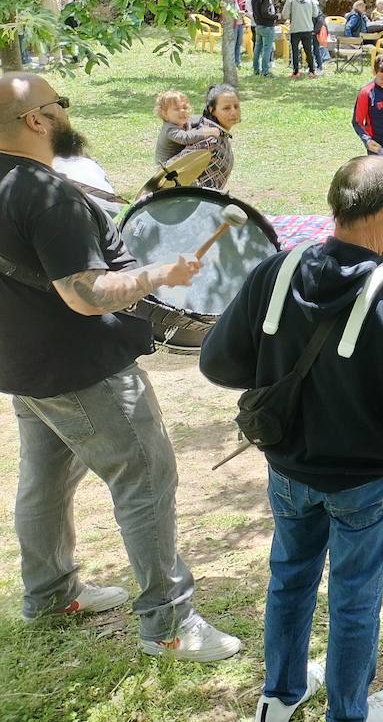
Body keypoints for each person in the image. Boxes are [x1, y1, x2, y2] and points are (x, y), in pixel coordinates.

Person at [201, 155, 383, 722]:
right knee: (355, 595)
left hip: (289, 467)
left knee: (289, 578)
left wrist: (280, 363)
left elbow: (218, 364)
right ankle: (348, 711)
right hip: (365, 481)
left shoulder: (276, 272)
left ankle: (280, 696)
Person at [0, 72, 243, 662]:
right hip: (83, 369)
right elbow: (84, 293)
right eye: (60, 104)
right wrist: (161, 274)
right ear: (35, 119)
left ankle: (51, 594)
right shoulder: (44, 193)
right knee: (146, 476)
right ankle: (169, 623)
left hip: (24, 364)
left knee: (46, 479)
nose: (65, 113)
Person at [191, 84, 240, 190]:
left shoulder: (219, 134)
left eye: (236, 106)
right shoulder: (209, 139)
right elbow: (175, 170)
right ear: (212, 110)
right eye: (226, 108)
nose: (234, 112)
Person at [152, 89, 210, 166]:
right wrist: (207, 132)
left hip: (179, 163)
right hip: (166, 169)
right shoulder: (169, 129)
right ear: (164, 114)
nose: (182, 111)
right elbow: (185, 138)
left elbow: (201, 118)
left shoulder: (186, 121)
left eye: (185, 107)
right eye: (176, 109)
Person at [283, 0, 319, 79]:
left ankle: (296, 72)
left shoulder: (290, 0)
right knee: (308, 50)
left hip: (295, 29)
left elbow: (285, 15)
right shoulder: (310, 0)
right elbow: (315, 13)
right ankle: (312, 71)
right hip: (307, 28)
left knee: (295, 50)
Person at [250, 0, 279, 77]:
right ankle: (265, 71)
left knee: (257, 48)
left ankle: (256, 69)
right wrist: (275, 17)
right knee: (267, 49)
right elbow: (265, 13)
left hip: (258, 25)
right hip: (267, 26)